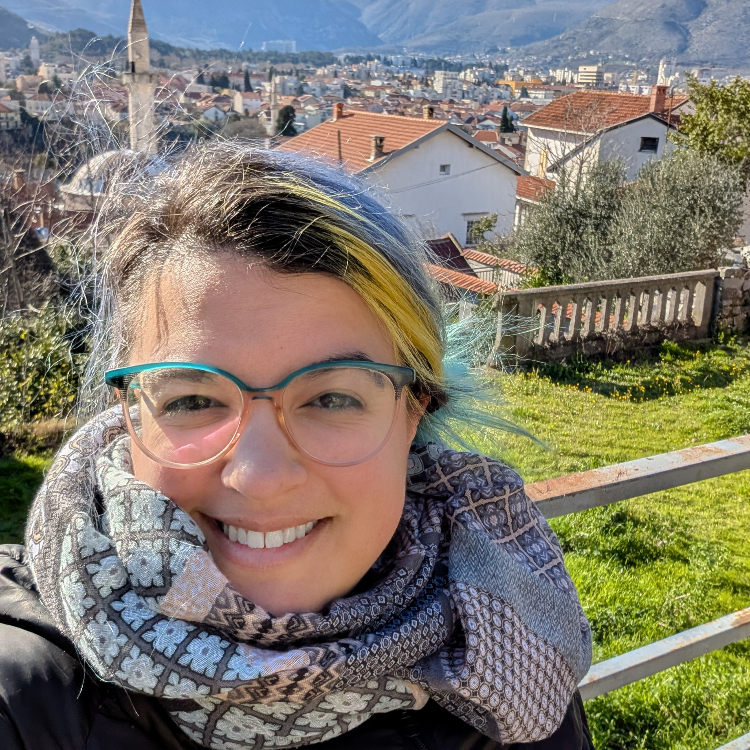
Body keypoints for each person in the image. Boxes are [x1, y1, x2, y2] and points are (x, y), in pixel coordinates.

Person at [0, 142, 594, 750]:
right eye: (192, 400)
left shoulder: (520, 654)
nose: (259, 477)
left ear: (414, 412)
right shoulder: (22, 697)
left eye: (332, 398)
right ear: (131, 416)